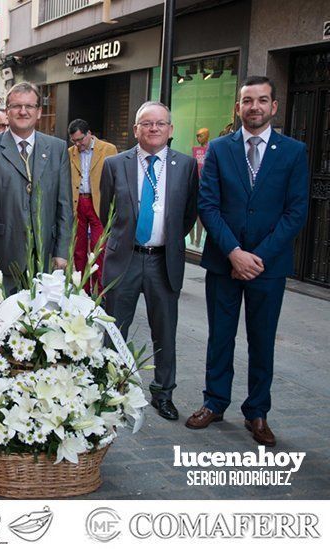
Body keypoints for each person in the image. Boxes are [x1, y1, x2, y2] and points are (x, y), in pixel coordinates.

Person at [185, 76, 309, 446]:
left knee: (262, 339)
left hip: (268, 267)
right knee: (220, 336)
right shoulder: (220, 149)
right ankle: (214, 401)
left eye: (262, 100)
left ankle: (257, 411)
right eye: (247, 100)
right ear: (237, 107)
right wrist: (234, 253)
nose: (254, 106)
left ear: (274, 106)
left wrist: (259, 257)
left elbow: (296, 210)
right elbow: (208, 204)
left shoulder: (293, 151)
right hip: (225, 261)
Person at [99, 101, 199, 421]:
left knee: (165, 331)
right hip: (124, 260)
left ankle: (163, 393)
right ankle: (111, 389)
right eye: (146, 123)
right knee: (114, 330)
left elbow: (188, 215)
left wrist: (164, 240)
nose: (153, 128)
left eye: (160, 123)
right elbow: (107, 214)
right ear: (136, 129)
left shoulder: (185, 166)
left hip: (163, 261)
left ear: (171, 130)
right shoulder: (115, 164)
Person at [0, 81, 73, 294]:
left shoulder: (57, 148)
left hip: (46, 257)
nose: (23, 111)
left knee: (44, 322)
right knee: (3, 320)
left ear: (39, 112)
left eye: (29, 106)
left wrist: (62, 251)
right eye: (16, 106)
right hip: (3, 256)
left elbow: (64, 205)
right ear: (7, 112)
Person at [67, 119, 118, 291]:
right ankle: (82, 290)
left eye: (80, 139)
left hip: (98, 202)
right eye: (74, 141)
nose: (78, 144)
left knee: (99, 249)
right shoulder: (70, 152)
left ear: (89, 134)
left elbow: (116, 179)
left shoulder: (108, 149)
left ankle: (99, 292)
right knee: (78, 251)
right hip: (77, 203)